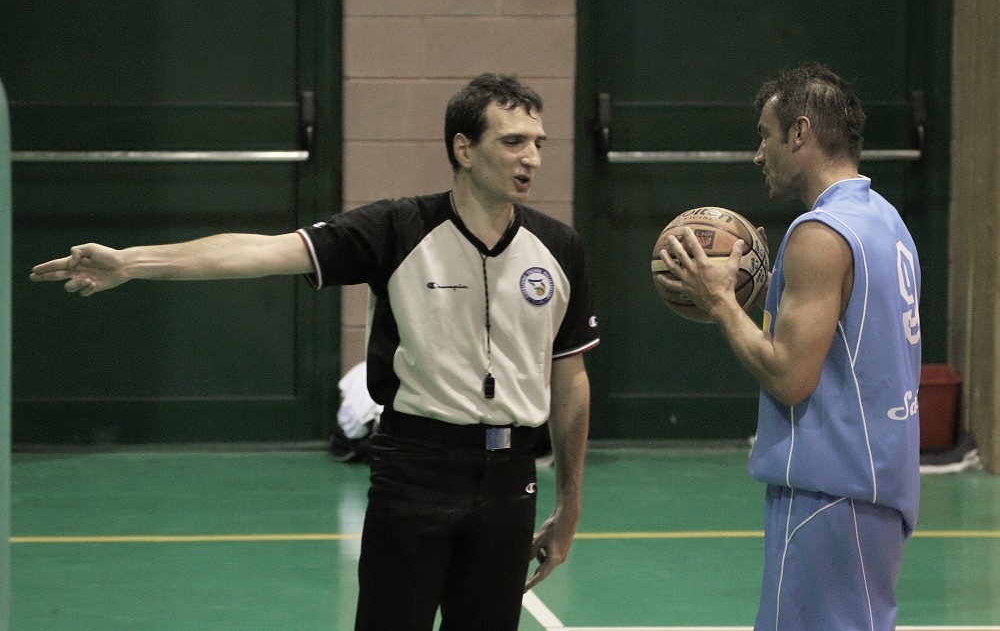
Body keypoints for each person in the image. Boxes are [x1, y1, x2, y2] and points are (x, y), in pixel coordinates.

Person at [30, 73, 601, 630]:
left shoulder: (559, 248)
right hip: (416, 467)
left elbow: (569, 376)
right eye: (513, 142)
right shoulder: (396, 229)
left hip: (510, 479)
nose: (532, 158)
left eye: (538, 143)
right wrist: (131, 262)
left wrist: (569, 503)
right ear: (464, 149)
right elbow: (256, 252)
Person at [656, 63, 921, 630]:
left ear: (800, 133)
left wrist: (721, 301)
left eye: (765, 135)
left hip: (830, 492)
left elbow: (789, 377)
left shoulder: (820, 233)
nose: (759, 154)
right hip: (875, 484)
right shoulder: (886, 221)